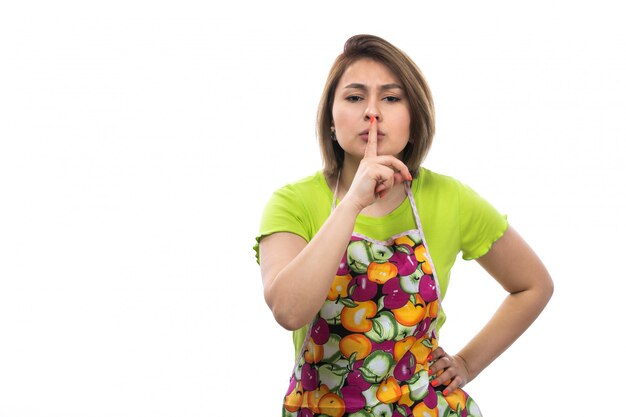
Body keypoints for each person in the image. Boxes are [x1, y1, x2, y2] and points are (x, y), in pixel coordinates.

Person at [254, 34, 553, 417]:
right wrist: (353, 203)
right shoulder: (292, 203)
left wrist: (466, 363)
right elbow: (289, 311)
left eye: (391, 98)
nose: (372, 113)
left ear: (414, 119)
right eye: (354, 97)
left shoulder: (450, 198)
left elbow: (533, 285)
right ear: (331, 120)